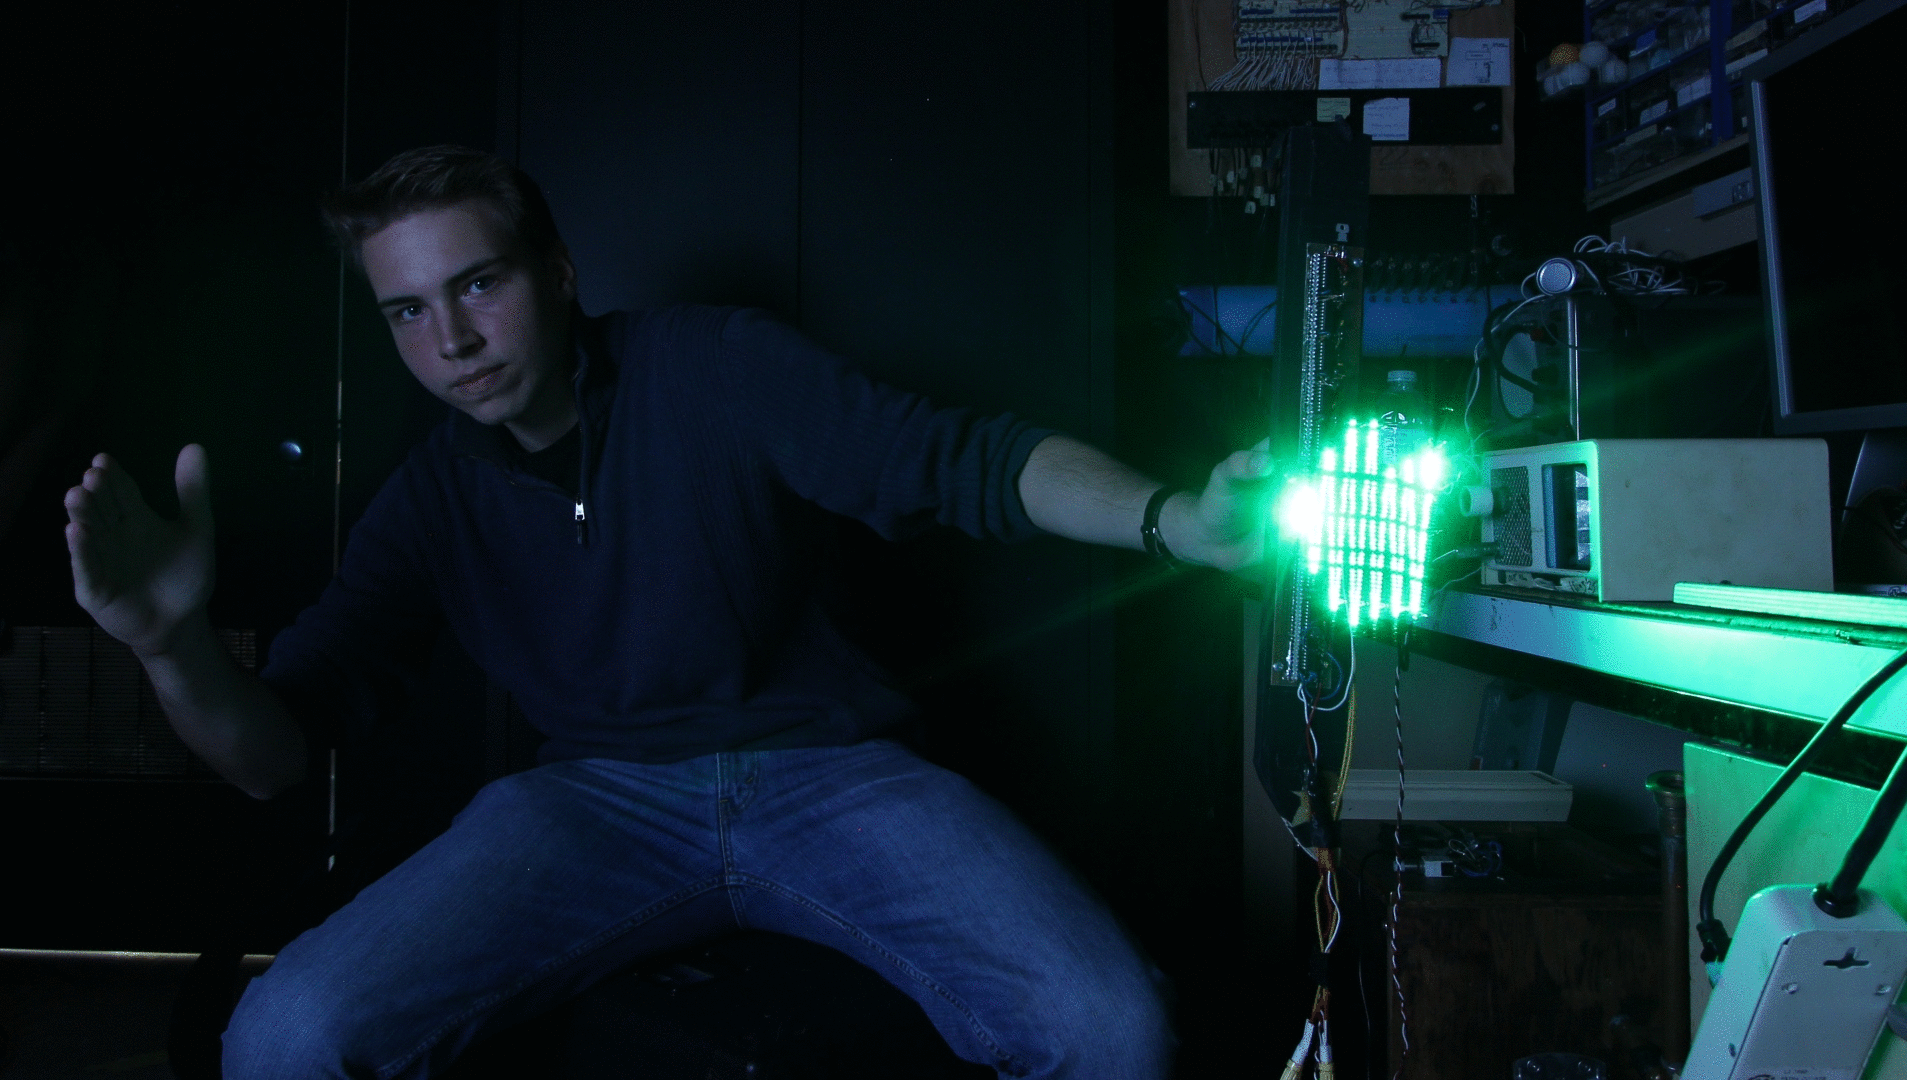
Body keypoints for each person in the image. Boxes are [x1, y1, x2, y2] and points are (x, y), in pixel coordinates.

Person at [63, 146, 1276, 1079]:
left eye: (478, 284)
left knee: (1110, 1026)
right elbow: (275, 755)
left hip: (833, 777)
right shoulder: (431, 497)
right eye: (409, 311)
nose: (453, 341)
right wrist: (169, 645)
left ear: (557, 272)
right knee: (281, 1040)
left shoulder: (713, 363)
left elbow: (964, 459)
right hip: (593, 804)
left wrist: (1177, 519)